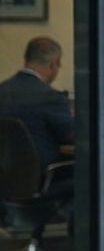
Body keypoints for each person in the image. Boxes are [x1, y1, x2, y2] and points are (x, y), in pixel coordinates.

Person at [0, 37, 74, 169]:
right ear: (53, 64)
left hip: (6, 178)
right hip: (44, 176)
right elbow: (74, 136)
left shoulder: (3, 89)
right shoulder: (51, 98)